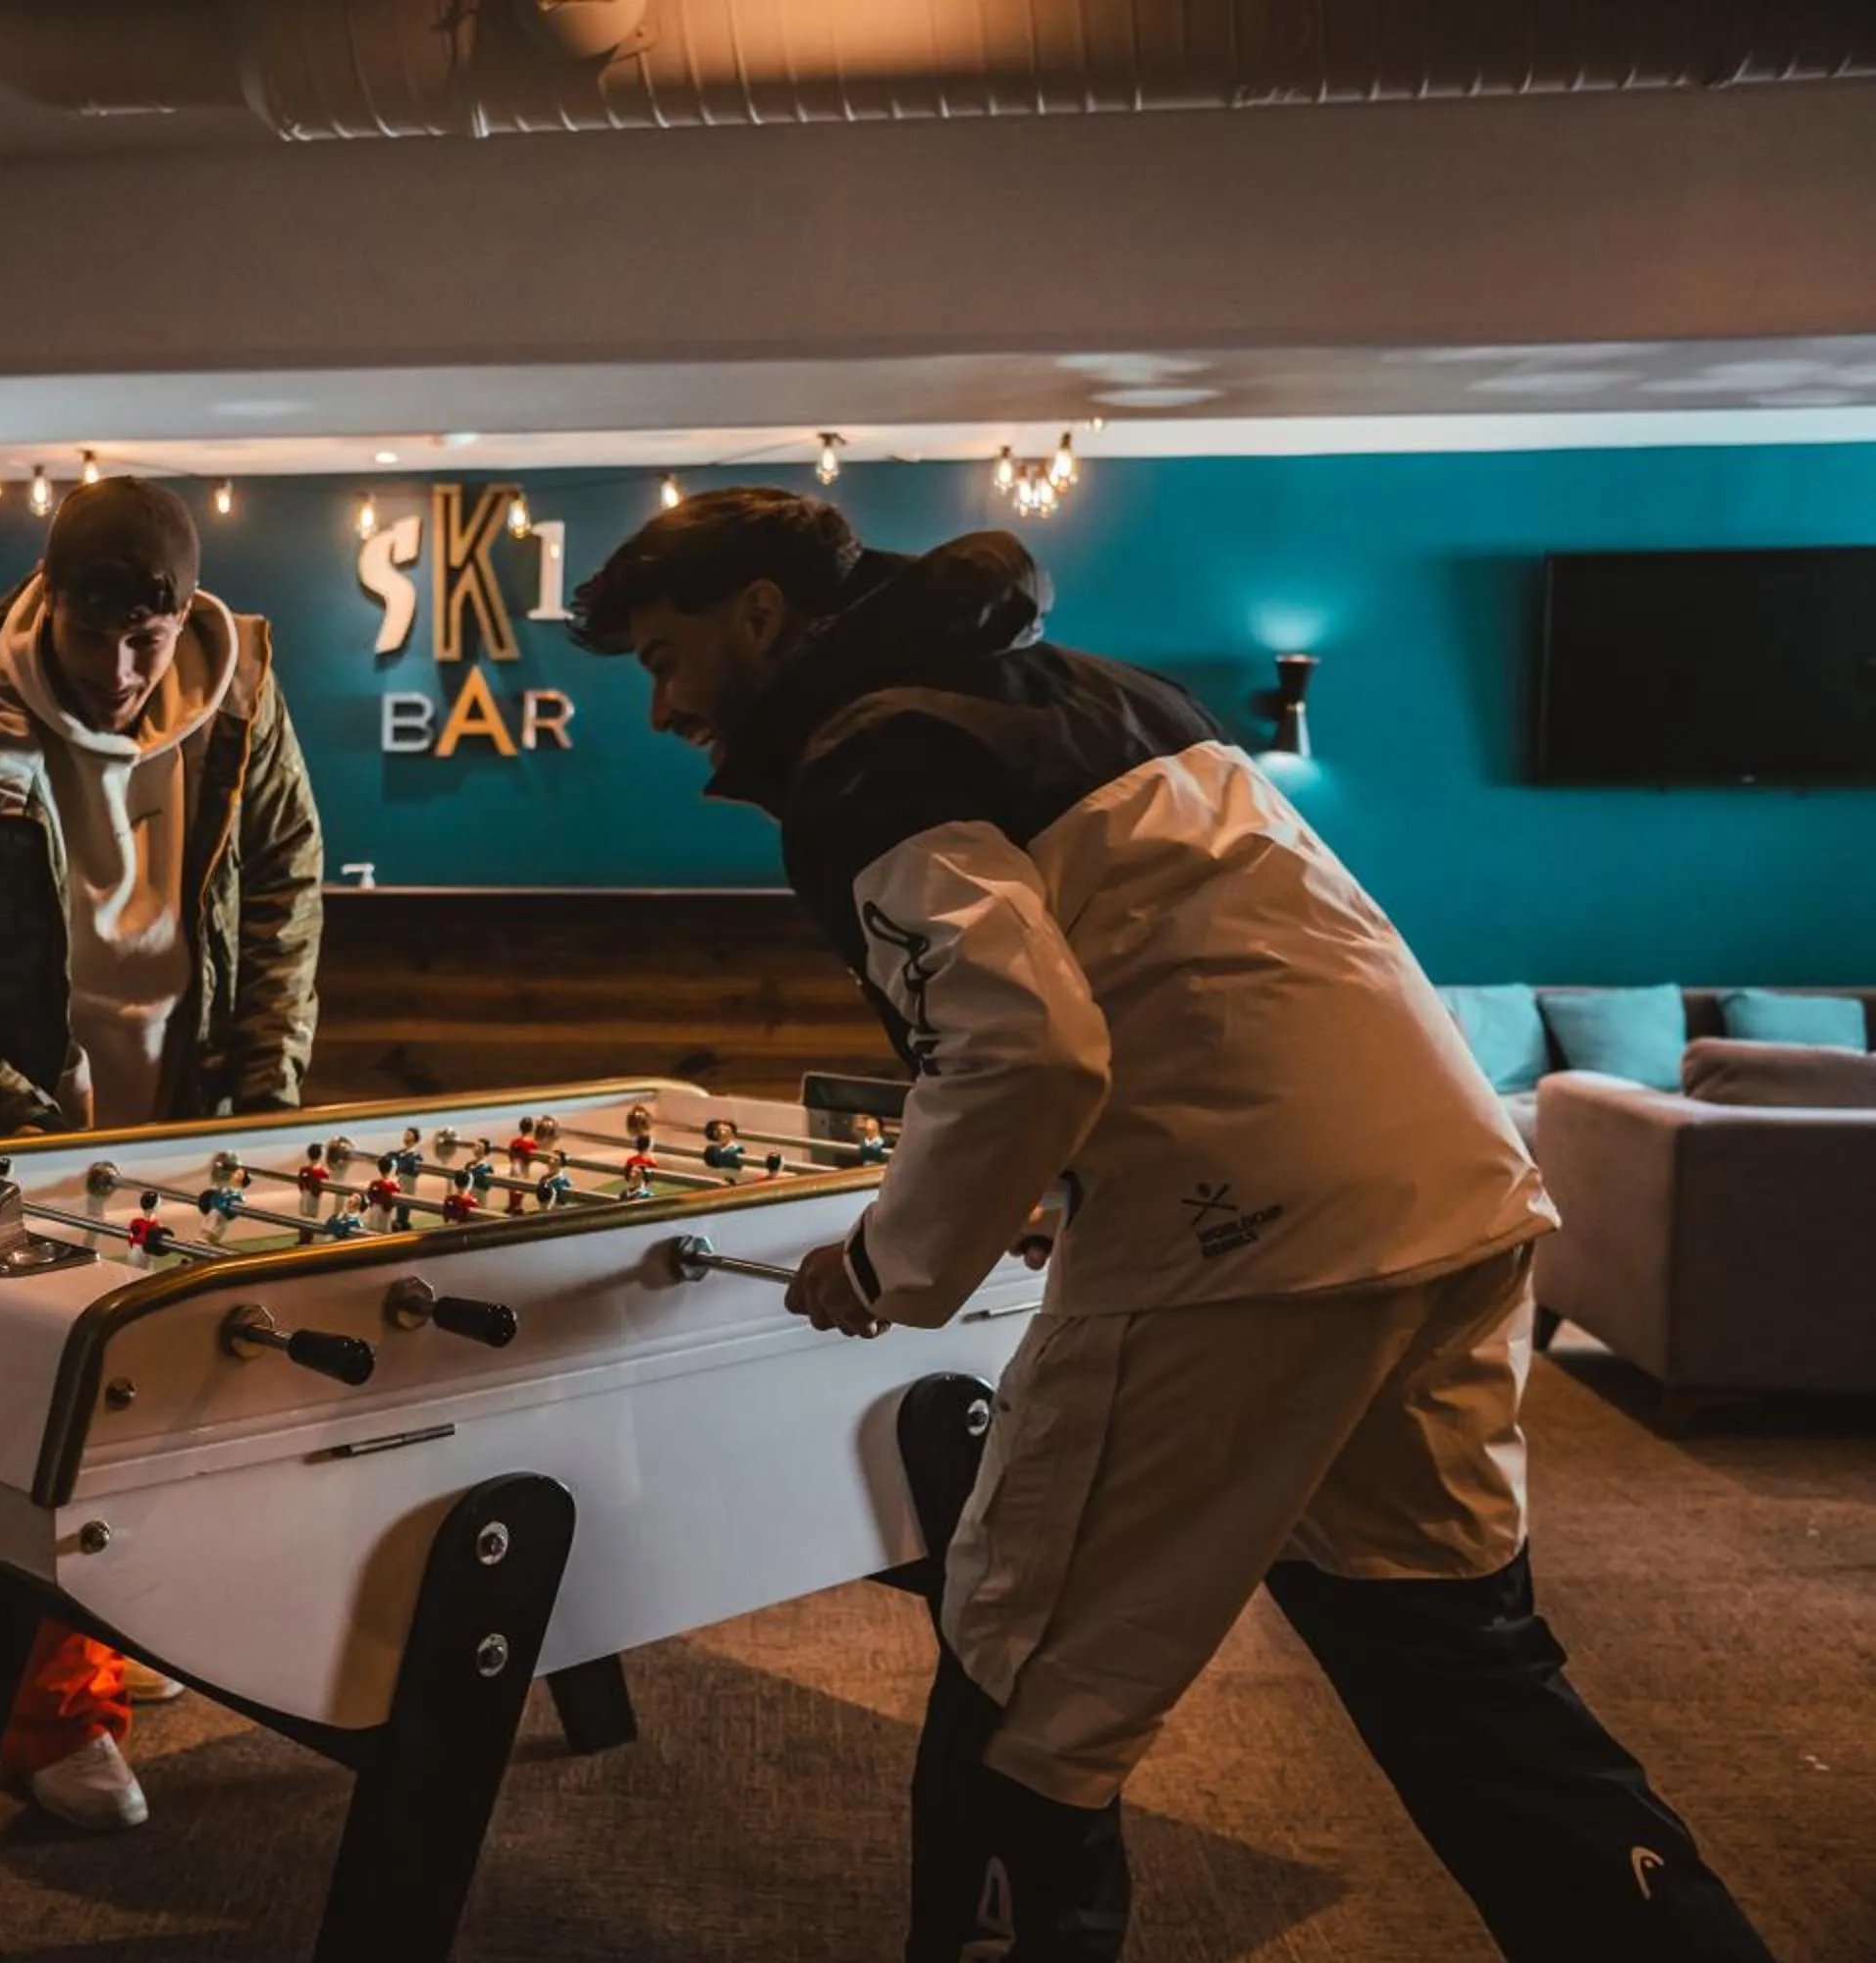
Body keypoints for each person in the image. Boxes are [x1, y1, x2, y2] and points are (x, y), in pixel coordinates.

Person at [570, 488, 1773, 1962]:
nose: (660, 704)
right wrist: (1052, 1187)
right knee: (1468, 1679)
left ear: (761, 611)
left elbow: (1021, 1051)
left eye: (664, 654)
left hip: (1244, 1241)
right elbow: (1185, 981)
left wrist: (891, 1264)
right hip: (1448, 1192)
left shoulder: (868, 756)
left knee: (1025, 1700)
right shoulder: (1094, 686)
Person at [0, 476, 324, 1831]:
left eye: (143, 643)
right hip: (9, 1146)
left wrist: (266, 1083)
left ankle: (99, 1638)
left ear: (184, 619)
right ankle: (49, 1722)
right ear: (45, 601)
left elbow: (282, 891)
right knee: (41, 1439)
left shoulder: (243, 709)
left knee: (168, 1414)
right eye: (92, 638)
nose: (115, 671)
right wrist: (3, 1106)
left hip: (184, 1127)